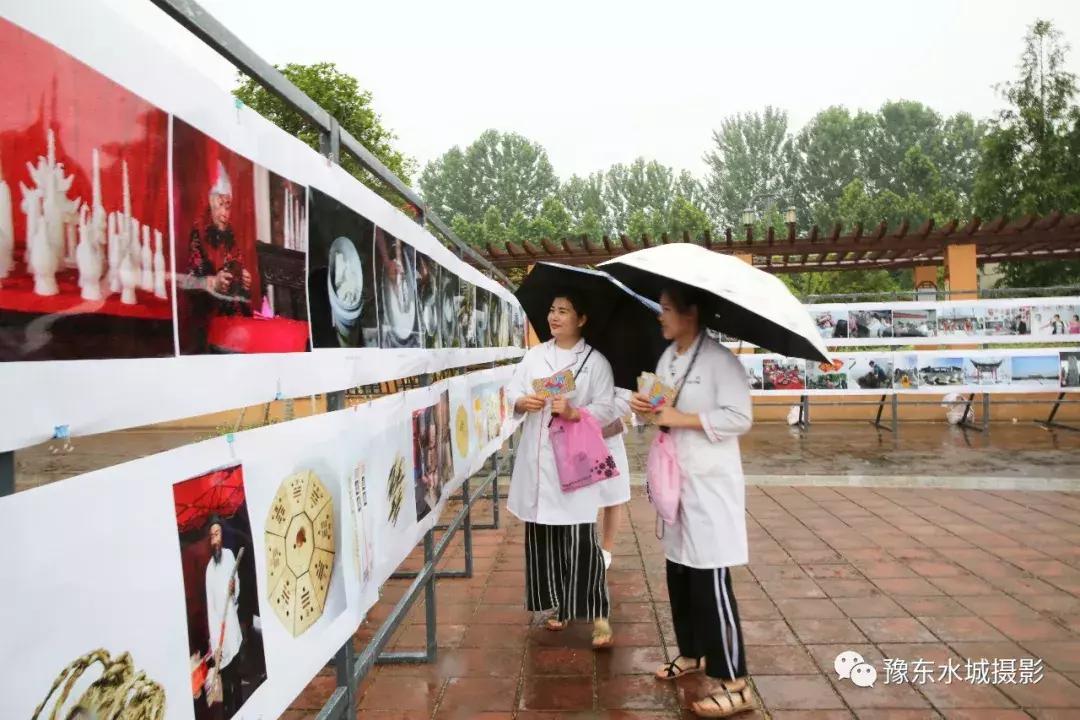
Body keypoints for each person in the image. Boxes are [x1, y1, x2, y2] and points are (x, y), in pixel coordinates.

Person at [629, 284, 755, 718]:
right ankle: (691, 652)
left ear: (691, 313)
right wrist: (647, 407)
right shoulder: (669, 358)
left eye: (666, 309)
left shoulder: (721, 362)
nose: (660, 316)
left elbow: (740, 417)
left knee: (710, 578)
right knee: (679, 569)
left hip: (709, 483)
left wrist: (680, 417)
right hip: (675, 480)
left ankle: (734, 681)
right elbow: (662, 405)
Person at [507, 289, 625, 649]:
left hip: (573, 460)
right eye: (552, 310)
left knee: (579, 540)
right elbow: (512, 390)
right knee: (544, 538)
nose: (555, 317)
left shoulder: (595, 361)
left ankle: (598, 611)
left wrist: (576, 412)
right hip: (538, 460)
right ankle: (558, 605)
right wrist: (521, 401)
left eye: (564, 311)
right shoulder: (534, 356)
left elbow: (608, 406)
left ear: (582, 319)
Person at [187, 161, 252, 320]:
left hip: (234, 318)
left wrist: (244, 281)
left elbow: (236, 268)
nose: (225, 214)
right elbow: (190, 283)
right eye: (220, 205)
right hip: (210, 319)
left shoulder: (230, 234)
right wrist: (214, 283)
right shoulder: (199, 233)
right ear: (210, 203)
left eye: (228, 206)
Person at [204, 518, 244, 716]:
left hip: (233, 626)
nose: (214, 539)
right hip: (220, 633)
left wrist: (234, 588)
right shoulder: (208, 570)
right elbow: (210, 608)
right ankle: (231, 711)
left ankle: (243, 707)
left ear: (222, 536)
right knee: (226, 680)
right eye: (211, 536)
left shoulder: (229, 556)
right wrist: (215, 643)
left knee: (237, 675)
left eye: (217, 534)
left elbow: (236, 583)